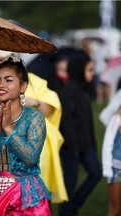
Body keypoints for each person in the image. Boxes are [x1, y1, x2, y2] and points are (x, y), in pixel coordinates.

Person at [0, 53, 51, 215]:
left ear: (23, 87)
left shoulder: (33, 117)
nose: (1, 84)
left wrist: (9, 130)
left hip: (23, 196)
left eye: (8, 80)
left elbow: (31, 158)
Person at [0, 49, 68, 204]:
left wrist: (36, 103)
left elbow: (52, 108)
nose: (1, 64)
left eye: (5, 60)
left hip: (34, 146)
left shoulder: (34, 82)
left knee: (36, 196)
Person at [58, 50, 102, 216]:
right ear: (79, 69)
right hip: (72, 147)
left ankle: (71, 208)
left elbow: (87, 120)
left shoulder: (84, 88)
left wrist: (91, 143)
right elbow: (66, 121)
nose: (93, 73)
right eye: (89, 70)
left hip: (86, 144)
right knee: (69, 183)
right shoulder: (69, 90)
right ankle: (67, 211)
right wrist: (74, 146)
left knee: (96, 173)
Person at [99, 89, 121, 216]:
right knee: (115, 209)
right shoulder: (117, 119)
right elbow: (107, 145)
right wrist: (107, 169)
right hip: (116, 170)